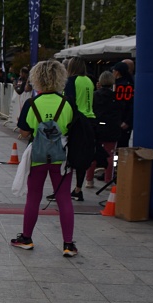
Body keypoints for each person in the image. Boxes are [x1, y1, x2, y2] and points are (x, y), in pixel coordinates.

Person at [11, 60, 77, 257]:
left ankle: (26, 238)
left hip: (38, 155)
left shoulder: (32, 103)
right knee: (64, 197)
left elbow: (24, 132)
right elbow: (74, 128)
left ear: (36, 78)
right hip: (62, 156)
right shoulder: (67, 102)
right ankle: (68, 244)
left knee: (34, 196)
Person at [63, 57, 96, 200]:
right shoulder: (89, 80)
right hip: (90, 119)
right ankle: (78, 188)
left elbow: (69, 101)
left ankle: (62, 189)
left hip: (77, 120)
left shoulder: (71, 81)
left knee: (69, 155)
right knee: (83, 156)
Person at [91, 71, 122, 184]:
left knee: (93, 154)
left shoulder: (94, 95)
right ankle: (108, 179)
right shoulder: (116, 96)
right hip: (111, 128)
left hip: (97, 127)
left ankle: (89, 180)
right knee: (111, 155)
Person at [112, 61, 134, 148]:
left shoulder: (118, 86)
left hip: (119, 120)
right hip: (124, 122)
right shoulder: (130, 84)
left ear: (117, 72)